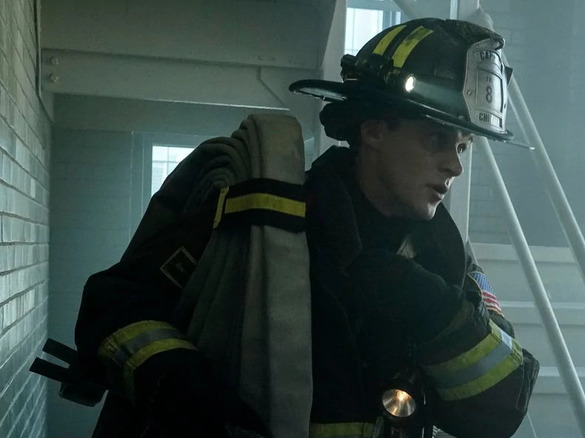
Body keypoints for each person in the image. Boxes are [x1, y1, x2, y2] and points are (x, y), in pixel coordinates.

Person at [74, 17, 538, 438]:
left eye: (463, 146)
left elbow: (499, 411)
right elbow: (115, 307)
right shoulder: (256, 211)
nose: (454, 165)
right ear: (374, 129)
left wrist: (435, 313)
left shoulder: (448, 262)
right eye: (437, 137)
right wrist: (183, 387)